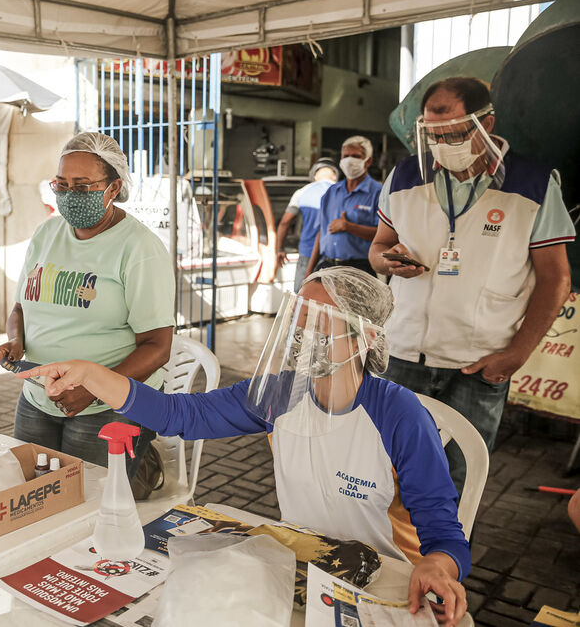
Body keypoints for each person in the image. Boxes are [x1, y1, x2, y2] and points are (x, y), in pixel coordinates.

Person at [25, 268, 470, 627]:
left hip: (384, 586)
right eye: (298, 315)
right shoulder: (283, 394)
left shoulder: (399, 413)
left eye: (319, 320)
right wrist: (90, 374)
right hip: (302, 566)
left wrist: (438, 566)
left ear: (365, 337)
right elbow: (184, 416)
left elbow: (442, 529)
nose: (301, 330)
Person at [369, 77, 573, 492]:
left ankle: (446, 558)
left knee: (458, 482)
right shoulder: (406, 176)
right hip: (403, 354)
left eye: (456, 132)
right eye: (433, 134)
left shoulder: (532, 184)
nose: (444, 143)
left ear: (488, 123)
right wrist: (386, 260)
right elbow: (378, 247)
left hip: (477, 364)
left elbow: (556, 280)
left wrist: (516, 354)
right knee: (383, 474)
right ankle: (390, 558)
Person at [0, 132, 175, 475]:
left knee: (89, 502)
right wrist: (16, 341)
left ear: (113, 187)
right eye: (61, 185)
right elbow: (20, 307)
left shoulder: (139, 249)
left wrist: (93, 390)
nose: (68, 195)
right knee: (31, 489)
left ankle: (143, 473)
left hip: (107, 407)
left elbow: (157, 346)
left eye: (82, 186)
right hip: (38, 397)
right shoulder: (46, 234)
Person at [306, 136, 382, 276]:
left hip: (359, 269)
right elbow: (321, 232)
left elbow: (383, 235)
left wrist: (349, 227)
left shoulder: (378, 193)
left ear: (368, 161)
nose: (349, 160)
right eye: (346, 156)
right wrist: (309, 272)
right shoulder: (332, 192)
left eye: (356, 156)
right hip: (327, 266)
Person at [275, 158, 339, 291]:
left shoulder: (301, 192)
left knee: (302, 298)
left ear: (315, 175)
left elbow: (285, 222)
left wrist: (279, 249)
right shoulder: (341, 192)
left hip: (307, 253)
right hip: (335, 256)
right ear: (335, 175)